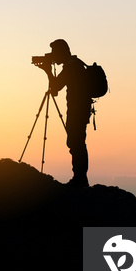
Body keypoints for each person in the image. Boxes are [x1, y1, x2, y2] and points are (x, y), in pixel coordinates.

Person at [38, 39, 93, 188]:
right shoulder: (75, 64)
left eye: (55, 54)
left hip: (77, 111)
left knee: (76, 143)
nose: (53, 58)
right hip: (80, 110)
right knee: (77, 142)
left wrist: (47, 71)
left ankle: (80, 179)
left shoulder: (70, 66)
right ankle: (80, 178)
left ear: (61, 52)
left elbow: (55, 88)